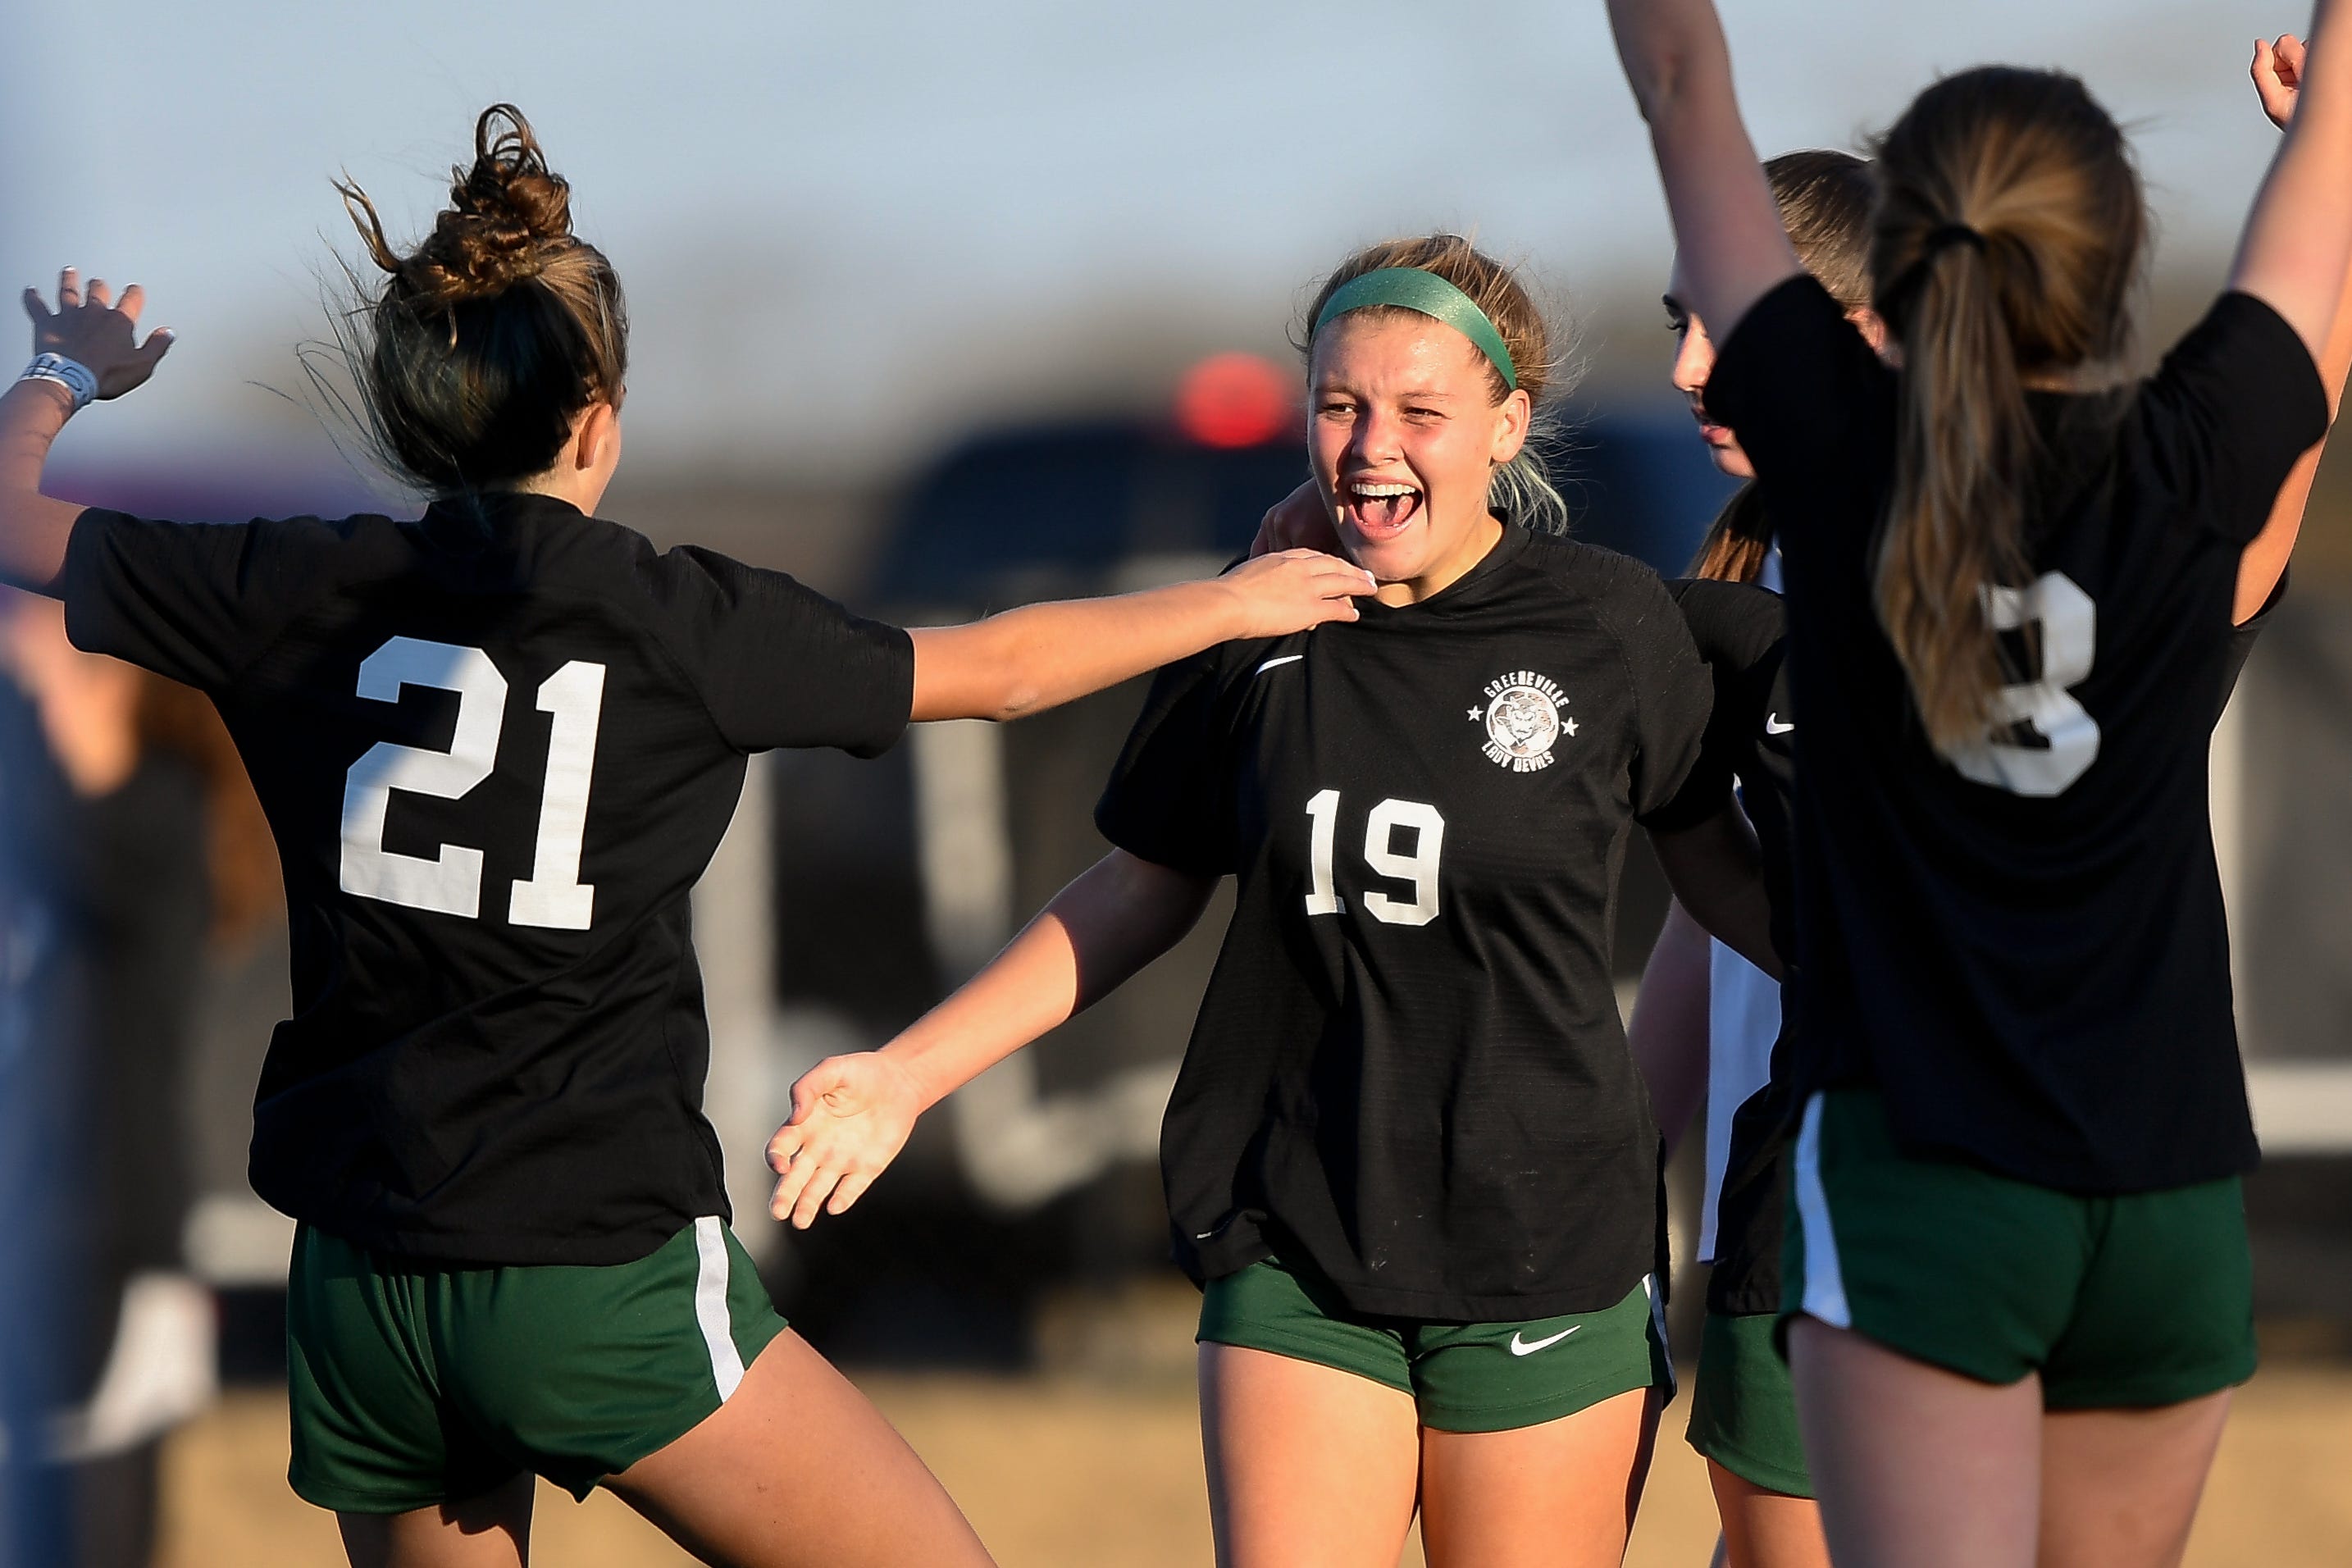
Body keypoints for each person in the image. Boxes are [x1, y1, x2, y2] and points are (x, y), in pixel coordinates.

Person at [0, 105, 1379, 1568]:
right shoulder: (684, 624)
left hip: (365, 1278)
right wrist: (1238, 600)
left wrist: (60, 373)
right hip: (589, 1267)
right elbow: (1006, 669)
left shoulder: (290, 584)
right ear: (597, 421)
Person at [765, 232, 1778, 1568]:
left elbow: (1740, 893)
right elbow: (1136, 891)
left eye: (1421, 412)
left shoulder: (1613, 627)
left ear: (1507, 424)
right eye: (1343, 405)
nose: (1372, 448)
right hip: (1298, 1239)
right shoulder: (1255, 626)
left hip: (1549, 1251)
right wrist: (903, 1076)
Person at [1607, 5, 2352, 1565]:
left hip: (1921, 1173)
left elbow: (1685, 82)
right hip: (2160, 1190)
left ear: (1901, 272)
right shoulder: (2195, 456)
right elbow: (2310, 276)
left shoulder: (1841, 459)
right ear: (2117, 246)